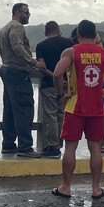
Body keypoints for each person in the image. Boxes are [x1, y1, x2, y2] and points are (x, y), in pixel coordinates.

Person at [51, 20, 104, 198]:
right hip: (97, 108)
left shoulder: (71, 52)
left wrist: (61, 93)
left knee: (70, 148)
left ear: (78, 35)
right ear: (95, 35)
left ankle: (66, 187)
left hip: (75, 107)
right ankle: (96, 188)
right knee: (95, 148)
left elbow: (57, 73)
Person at [0, 3, 41, 157]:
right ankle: (25, 147)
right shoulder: (17, 27)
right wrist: (34, 62)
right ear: (17, 12)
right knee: (24, 108)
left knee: (9, 110)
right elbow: (18, 47)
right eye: (26, 12)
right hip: (17, 72)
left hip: (6, 69)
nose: (28, 15)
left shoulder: (4, 28)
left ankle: (8, 144)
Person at [35, 21, 73, 158]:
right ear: (58, 30)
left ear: (46, 32)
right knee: (62, 114)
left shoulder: (41, 46)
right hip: (67, 86)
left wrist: (55, 77)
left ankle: (53, 146)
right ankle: (60, 143)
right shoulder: (69, 43)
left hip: (49, 85)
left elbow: (42, 67)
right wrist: (63, 80)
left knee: (50, 115)